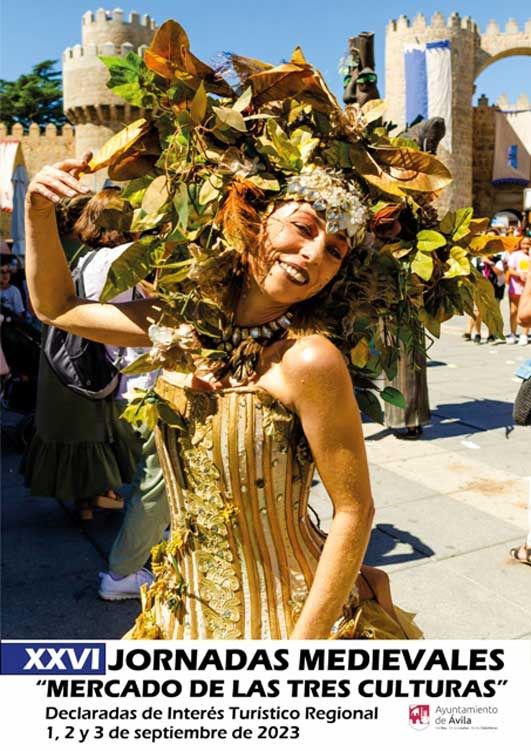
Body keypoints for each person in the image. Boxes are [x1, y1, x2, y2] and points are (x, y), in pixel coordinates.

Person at [25, 26, 486, 639]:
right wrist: (36, 211)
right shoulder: (181, 325)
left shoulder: (309, 360)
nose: (313, 254)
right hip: (182, 616)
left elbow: (354, 511)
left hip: (291, 624)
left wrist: (300, 656)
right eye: (304, 226)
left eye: (336, 250)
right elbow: (55, 306)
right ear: (254, 216)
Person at [22, 190, 141, 520]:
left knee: (73, 426)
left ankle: (85, 501)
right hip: (88, 344)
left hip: (58, 347)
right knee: (94, 426)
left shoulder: (62, 249)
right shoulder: (103, 255)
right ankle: (99, 494)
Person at [505, 236, 530, 345]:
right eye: (524, 243)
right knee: (514, 311)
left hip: (528, 288)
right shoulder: (516, 255)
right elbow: (510, 269)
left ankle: (524, 334)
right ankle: (513, 333)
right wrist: (519, 274)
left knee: (527, 312)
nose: (526, 246)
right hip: (515, 287)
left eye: (528, 244)